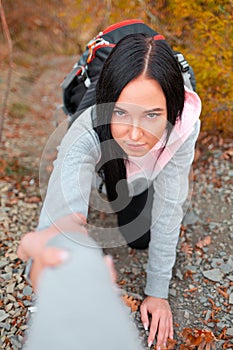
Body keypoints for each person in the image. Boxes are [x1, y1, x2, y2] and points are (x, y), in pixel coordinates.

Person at [18, 33, 201, 349]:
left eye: (152, 115)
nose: (134, 134)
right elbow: (64, 208)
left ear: (173, 110)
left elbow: (171, 204)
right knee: (116, 193)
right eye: (121, 112)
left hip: (141, 171)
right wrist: (65, 264)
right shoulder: (88, 126)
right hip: (110, 158)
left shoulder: (185, 123)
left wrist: (158, 293)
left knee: (139, 237)